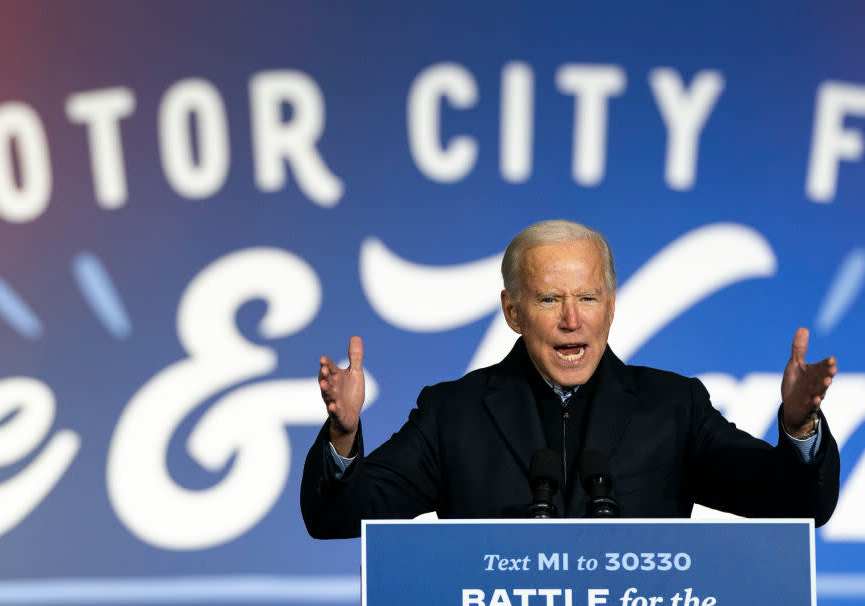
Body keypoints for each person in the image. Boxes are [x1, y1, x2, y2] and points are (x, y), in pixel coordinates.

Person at [301, 220, 840, 538]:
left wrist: (799, 426)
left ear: (611, 307)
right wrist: (343, 435)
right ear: (513, 312)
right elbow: (338, 516)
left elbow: (796, 507)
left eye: (587, 297)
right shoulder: (454, 414)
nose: (571, 319)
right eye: (549, 299)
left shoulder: (674, 408)